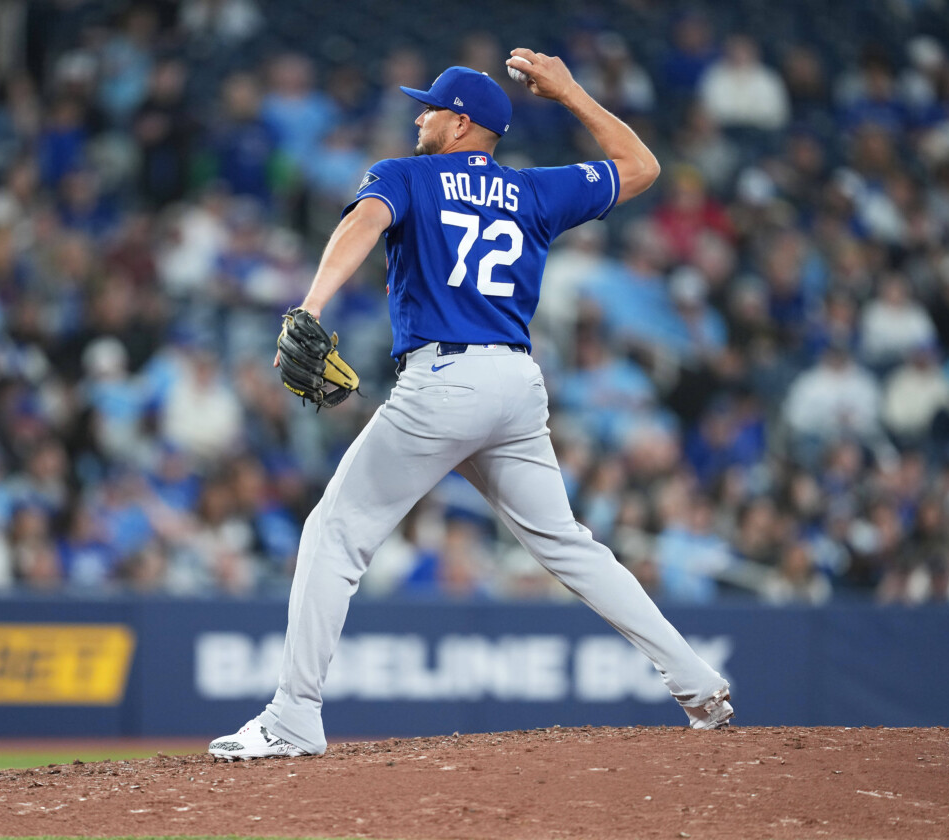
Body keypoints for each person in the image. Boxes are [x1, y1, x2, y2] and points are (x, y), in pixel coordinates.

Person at [209, 49, 735, 761]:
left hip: (444, 380)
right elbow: (642, 167)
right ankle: (696, 680)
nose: (418, 115)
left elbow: (363, 224)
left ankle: (292, 717)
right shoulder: (534, 192)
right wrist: (572, 92)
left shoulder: (406, 174)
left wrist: (309, 305)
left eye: (429, 107)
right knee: (567, 544)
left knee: (334, 534)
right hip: (516, 387)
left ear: (459, 124)